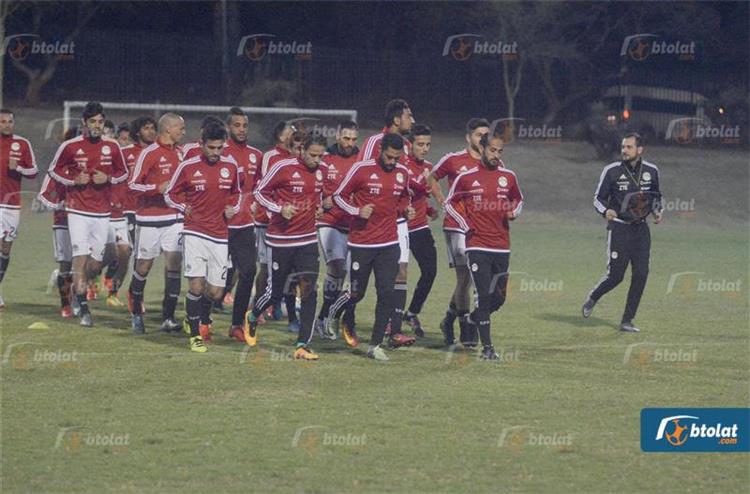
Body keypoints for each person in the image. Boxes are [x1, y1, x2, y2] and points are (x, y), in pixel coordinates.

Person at [329, 133, 415, 361]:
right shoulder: (361, 169)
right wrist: (357, 211)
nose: (392, 162)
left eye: (396, 158)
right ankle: (333, 313)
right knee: (356, 292)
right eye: (389, 157)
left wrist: (406, 210)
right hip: (362, 242)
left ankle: (375, 345)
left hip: (389, 243)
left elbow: (404, 198)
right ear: (380, 151)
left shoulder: (402, 173)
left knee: (386, 293)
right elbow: (338, 196)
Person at [243, 134, 326, 360]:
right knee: (275, 293)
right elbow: (259, 192)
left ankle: (302, 345)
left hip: (308, 240)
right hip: (281, 240)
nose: (317, 160)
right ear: (301, 150)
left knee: (309, 292)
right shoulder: (283, 167)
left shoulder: (321, 171)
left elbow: (317, 195)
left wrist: (319, 208)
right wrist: (280, 208)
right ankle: (253, 315)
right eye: (313, 155)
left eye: (320, 156)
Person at [48, 101, 128, 327]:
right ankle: (83, 309)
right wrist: (73, 180)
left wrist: (108, 178)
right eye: (93, 121)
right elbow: (53, 170)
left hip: (102, 213)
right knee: (80, 258)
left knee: (94, 265)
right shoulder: (71, 146)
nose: (97, 125)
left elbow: (124, 173)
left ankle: (75, 288)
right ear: (84, 122)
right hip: (77, 211)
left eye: (100, 121)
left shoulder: (112, 146)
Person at [444, 130, 523, 360]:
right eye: (492, 150)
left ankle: (471, 319)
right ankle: (488, 349)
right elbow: (449, 204)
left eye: (500, 151)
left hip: (502, 245)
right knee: (484, 296)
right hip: (477, 245)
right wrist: (465, 224)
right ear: (482, 149)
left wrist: (514, 212)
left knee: (499, 298)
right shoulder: (466, 178)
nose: (496, 155)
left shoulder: (508, 176)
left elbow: (518, 199)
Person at [164, 123, 240, 353]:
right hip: (195, 231)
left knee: (216, 292)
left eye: (220, 148)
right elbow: (170, 194)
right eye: (211, 148)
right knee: (196, 286)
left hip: (220, 234)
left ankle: (194, 316)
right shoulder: (188, 166)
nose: (216, 152)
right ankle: (196, 334)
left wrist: (233, 208)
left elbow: (236, 194)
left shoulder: (230, 166)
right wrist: (183, 207)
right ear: (201, 145)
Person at [582, 133, 663, 332]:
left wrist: (657, 211)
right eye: (623, 147)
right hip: (619, 228)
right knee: (616, 276)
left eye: (629, 147)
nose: (624, 151)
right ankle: (593, 296)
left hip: (641, 230)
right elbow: (598, 199)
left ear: (639, 149)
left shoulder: (652, 171)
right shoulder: (611, 171)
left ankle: (627, 320)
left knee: (641, 274)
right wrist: (605, 211)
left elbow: (656, 196)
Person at [353, 99, 415, 345]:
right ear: (397, 120)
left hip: (397, 221)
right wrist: (359, 211)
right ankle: (343, 318)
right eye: (409, 115)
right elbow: (358, 175)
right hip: (370, 225)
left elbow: (404, 182)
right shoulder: (373, 142)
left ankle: (394, 330)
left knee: (401, 272)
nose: (412, 120)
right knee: (358, 286)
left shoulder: (406, 146)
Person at [429, 117, 490, 346]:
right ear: (468, 137)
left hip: (481, 229)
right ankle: (466, 329)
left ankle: (448, 320)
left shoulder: (493, 161)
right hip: (457, 226)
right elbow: (431, 177)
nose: (482, 139)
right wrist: (442, 201)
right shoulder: (453, 160)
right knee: (466, 277)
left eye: (486, 135)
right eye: (479, 135)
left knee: (471, 279)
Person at [127, 112, 186, 334]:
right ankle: (136, 314)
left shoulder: (181, 153)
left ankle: (168, 318)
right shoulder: (148, 153)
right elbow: (132, 184)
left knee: (174, 264)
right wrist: (156, 188)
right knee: (143, 266)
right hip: (149, 220)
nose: (183, 132)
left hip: (175, 218)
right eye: (180, 128)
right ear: (168, 129)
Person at [253, 121, 305, 330]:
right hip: (268, 221)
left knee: (292, 270)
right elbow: (265, 186)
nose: (294, 134)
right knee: (266, 268)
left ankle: (283, 308)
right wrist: (275, 210)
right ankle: (259, 305)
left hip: (295, 224)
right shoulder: (271, 157)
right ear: (281, 137)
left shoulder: (300, 158)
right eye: (290, 132)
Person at [315, 120, 359, 339]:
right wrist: (320, 201)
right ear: (338, 136)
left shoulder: (361, 160)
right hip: (329, 222)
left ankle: (338, 318)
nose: (350, 143)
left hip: (354, 225)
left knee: (354, 277)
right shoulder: (325, 159)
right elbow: (312, 184)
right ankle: (324, 318)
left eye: (353, 139)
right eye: (346, 138)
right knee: (337, 268)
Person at [223, 107, 263, 342]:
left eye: (244, 125)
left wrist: (256, 202)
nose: (241, 129)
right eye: (237, 125)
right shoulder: (220, 151)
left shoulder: (256, 155)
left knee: (248, 271)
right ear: (228, 127)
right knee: (216, 281)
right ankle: (202, 320)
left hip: (245, 225)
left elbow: (260, 185)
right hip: (219, 226)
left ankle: (237, 324)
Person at [403, 124, 439, 337]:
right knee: (396, 276)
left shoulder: (427, 166)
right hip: (398, 228)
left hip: (419, 227)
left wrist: (429, 209)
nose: (424, 149)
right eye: (420, 144)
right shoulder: (402, 165)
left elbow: (422, 196)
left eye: (428, 145)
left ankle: (412, 312)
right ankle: (390, 319)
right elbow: (418, 187)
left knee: (430, 270)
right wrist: (427, 181)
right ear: (410, 144)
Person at [0, 108, 38, 310]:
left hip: (12, 205)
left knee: (6, 249)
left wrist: (19, 168)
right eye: (3, 121)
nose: (6, 125)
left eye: (9, 121)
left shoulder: (22, 144)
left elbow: (34, 171)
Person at [38, 172, 74, 317]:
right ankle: (66, 304)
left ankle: (79, 296)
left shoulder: (91, 164)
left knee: (91, 261)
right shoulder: (58, 167)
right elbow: (43, 195)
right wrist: (59, 204)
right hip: (63, 221)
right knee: (66, 263)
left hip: (89, 219)